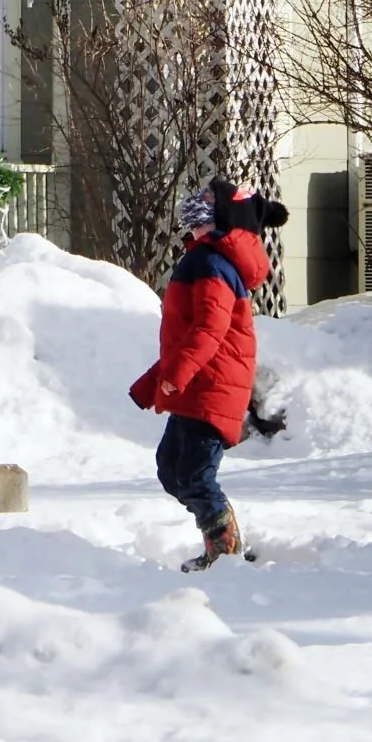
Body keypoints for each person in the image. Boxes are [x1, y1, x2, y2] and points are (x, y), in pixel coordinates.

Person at [130, 177, 288, 573]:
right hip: (196, 387)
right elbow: (187, 334)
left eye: (200, 222)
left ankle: (226, 549)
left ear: (221, 223)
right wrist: (156, 380)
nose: (193, 229)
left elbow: (209, 330)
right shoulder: (203, 259)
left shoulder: (211, 264)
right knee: (171, 469)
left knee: (194, 475)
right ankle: (222, 538)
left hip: (211, 388)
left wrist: (178, 372)